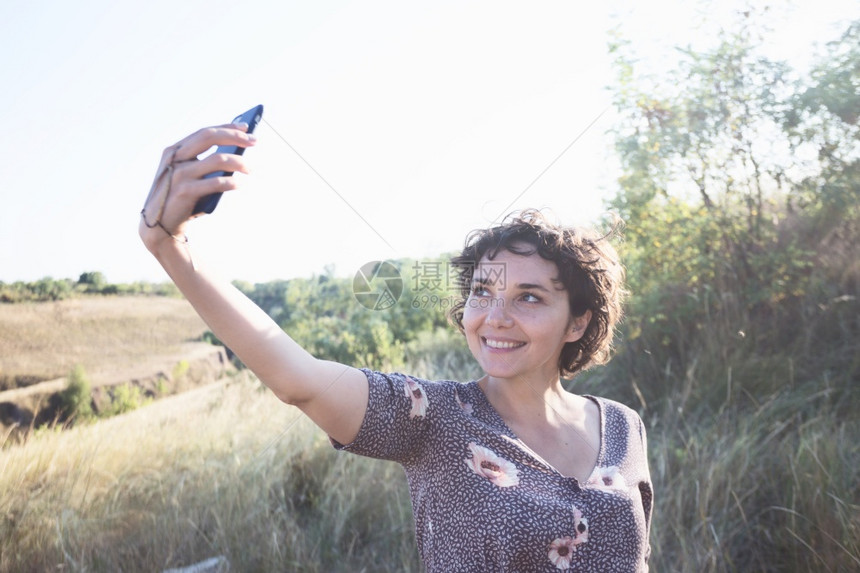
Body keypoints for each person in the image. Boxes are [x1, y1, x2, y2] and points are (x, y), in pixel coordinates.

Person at [139, 122, 653, 572]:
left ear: (577, 323)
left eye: (530, 297)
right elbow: (298, 379)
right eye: (483, 292)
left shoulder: (623, 428)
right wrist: (173, 248)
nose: (496, 318)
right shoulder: (432, 420)